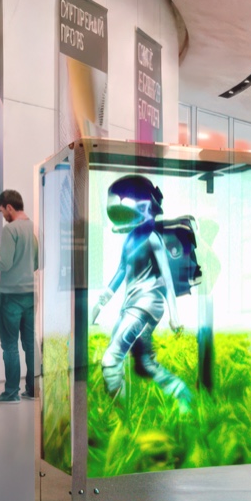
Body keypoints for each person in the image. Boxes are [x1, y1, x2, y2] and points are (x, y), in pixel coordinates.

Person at [91, 175, 194, 414]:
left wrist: (174, 315)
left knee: (111, 360)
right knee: (144, 364)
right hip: (132, 305)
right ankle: (182, 393)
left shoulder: (153, 238)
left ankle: (121, 420)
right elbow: (120, 273)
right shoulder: (129, 240)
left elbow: (167, 278)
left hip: (147, 305)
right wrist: (100, 303)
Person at [0, 188, 40, 403]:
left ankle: (11, 392)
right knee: (29, 343)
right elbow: (38, 262)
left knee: (9, 345)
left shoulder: (10, 230)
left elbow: (4, 263)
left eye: (1, 211)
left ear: (9, 207)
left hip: (10, 296)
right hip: (31, 293)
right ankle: (33, 389)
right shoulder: (34, 227)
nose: (2, 215)